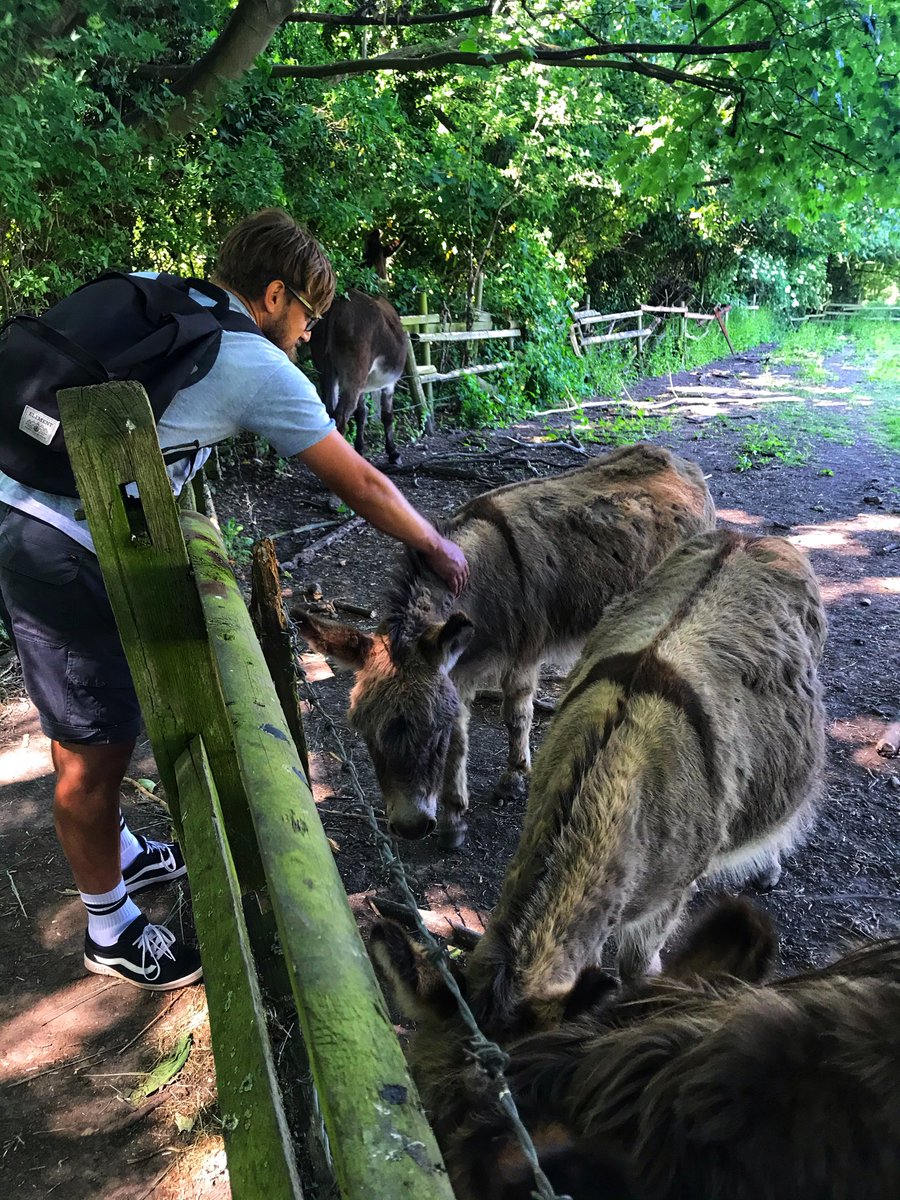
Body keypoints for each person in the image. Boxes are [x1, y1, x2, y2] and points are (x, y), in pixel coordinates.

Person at [0, 208, 468, 991]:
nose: (311, 334)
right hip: (59, 543)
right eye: (310, 314)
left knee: (92, 714)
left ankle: (114, 844)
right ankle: (109, 924)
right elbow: (359, 478)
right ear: (275, 293)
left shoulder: (160, 290)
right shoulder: (255, 364)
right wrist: (434, 542)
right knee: (94, 737)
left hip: (18, 498)